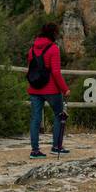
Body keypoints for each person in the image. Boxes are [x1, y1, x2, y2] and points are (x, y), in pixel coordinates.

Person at [26, 22, 70, 158]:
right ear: (53, 33)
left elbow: (31, 69)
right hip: (51, 89)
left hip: (34, 88)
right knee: (59, 115)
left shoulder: (32, 49)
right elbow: (56, 72)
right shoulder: (53, 48)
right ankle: (56, 147)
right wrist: (65, 89)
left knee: (35, 119)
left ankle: (35, 150)